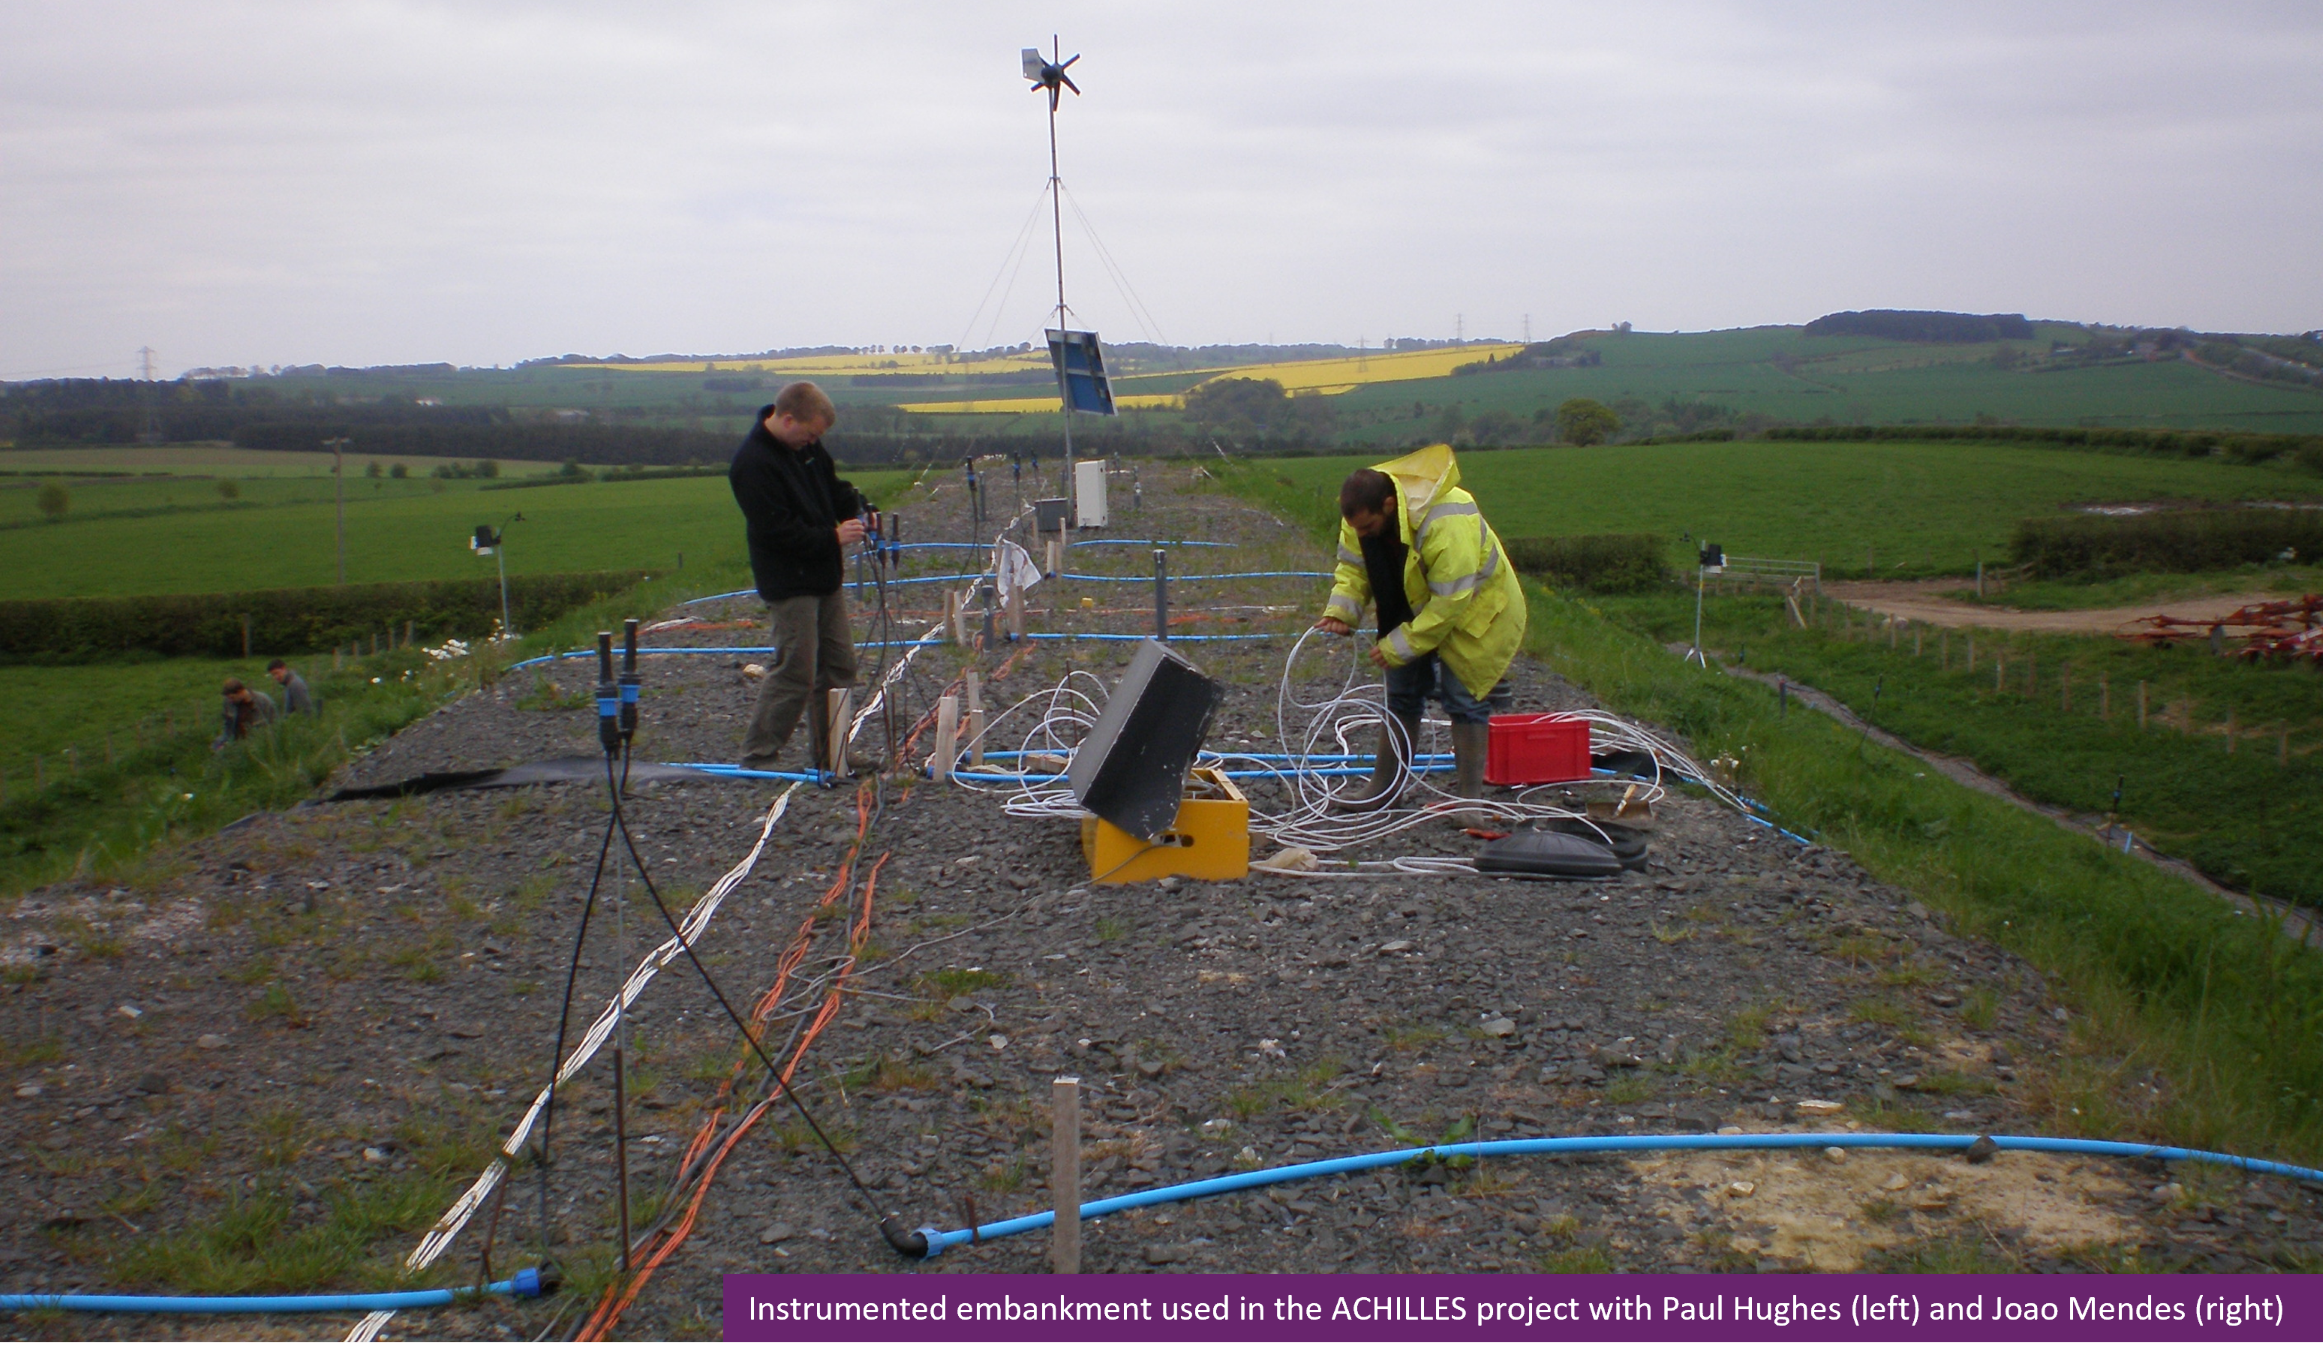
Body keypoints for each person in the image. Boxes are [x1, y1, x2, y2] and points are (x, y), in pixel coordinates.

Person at [1315, 444, 1527, 822]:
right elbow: (1353, 569)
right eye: (1356, 527)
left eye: (1367, 527)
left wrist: (1403, 645)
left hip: (1472, 609)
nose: (1361, 533)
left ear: (1388, 505)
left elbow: (1449, 602)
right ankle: (1383, 790)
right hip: (1408, 602)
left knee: (1465, 699)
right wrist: (1341, 613)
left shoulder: (1445, 518)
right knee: (1401, 696)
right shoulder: (1358, 519)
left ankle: (1469, 802)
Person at [729, 381, 871, 773]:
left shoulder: (805, 447)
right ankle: (759, 755)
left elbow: (831, 487)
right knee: (796, 670)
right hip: (790, 583)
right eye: (810, 433)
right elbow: (778, 531)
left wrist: (857, 509)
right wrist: (833, 536)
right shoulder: (752, 464)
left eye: (817, 437)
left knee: (840, 665)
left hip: (824, 575)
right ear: (787, 419)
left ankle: (833, 755)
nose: (813, 441)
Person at [214, 677, 278, 748]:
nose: (230, 701)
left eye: (232, 697)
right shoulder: (228, 703)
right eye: (228, 698)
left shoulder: (264, 702)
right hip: (236, 743)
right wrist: (222, 744)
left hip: (258, 744)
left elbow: (275, 725)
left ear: (241, 692)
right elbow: (227, 727)